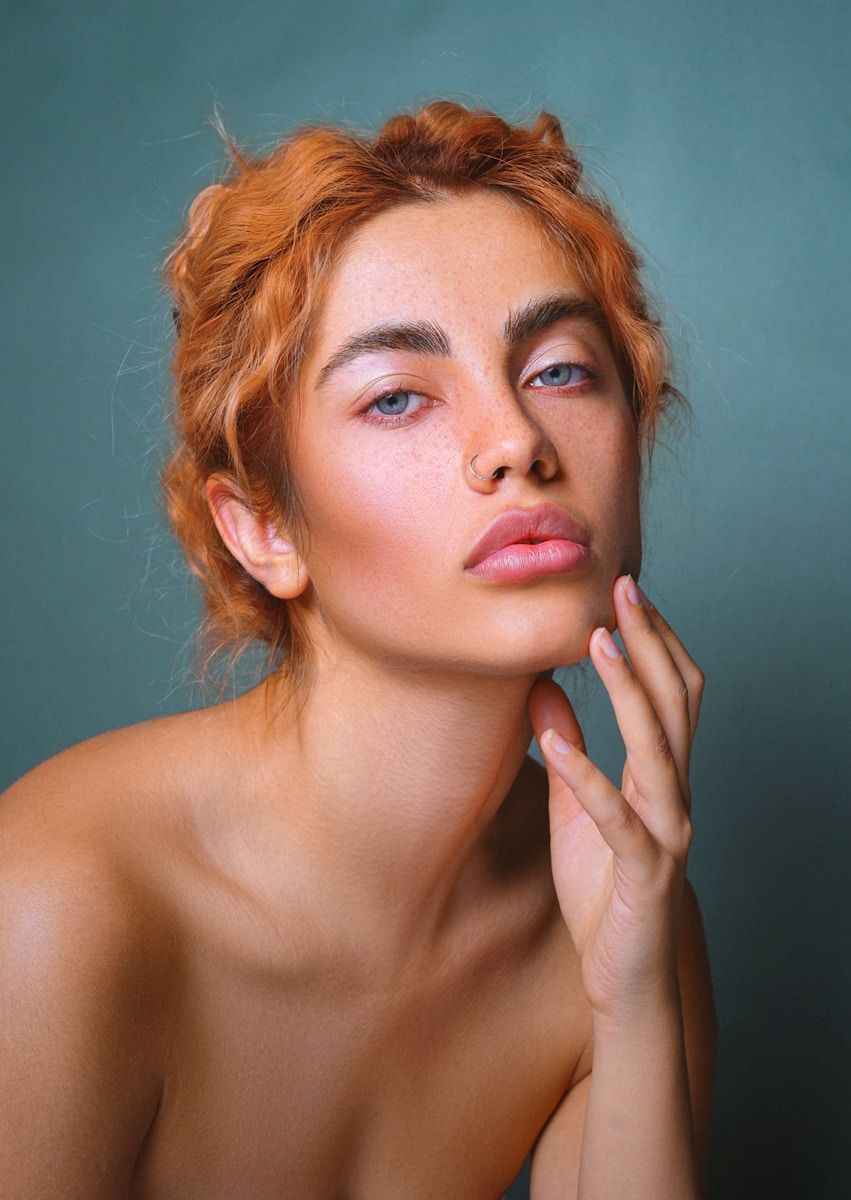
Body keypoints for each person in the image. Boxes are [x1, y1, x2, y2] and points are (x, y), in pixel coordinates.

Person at [0, 101, 716, 1198]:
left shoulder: (620, 909)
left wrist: (633, 1011)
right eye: (396, 398)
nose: (515, 444)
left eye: (561, 370)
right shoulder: (54, 905)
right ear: (264, 530)